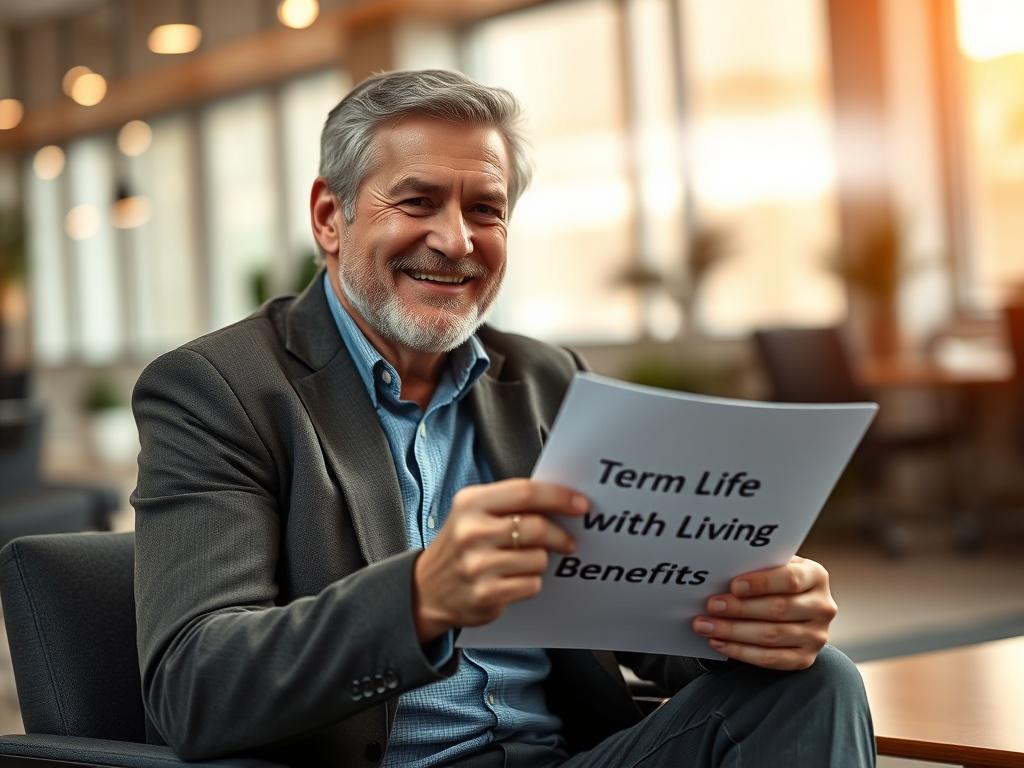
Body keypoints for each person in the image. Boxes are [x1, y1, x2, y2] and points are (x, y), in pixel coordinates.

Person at [132, 69, 875, 767]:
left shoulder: (548, 377)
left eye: (484, 209)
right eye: (418, 201)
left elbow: (650, 634)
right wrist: (420, 598)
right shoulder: (220, 390)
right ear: (332, 217)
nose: (456, 241)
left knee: (818, 682)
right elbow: (195, 684)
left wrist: (752, 618)